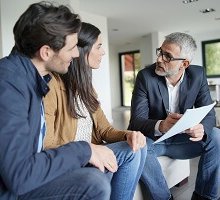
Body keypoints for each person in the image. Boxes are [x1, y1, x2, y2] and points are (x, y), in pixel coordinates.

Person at [0, 2, 112, 200]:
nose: (76, 54)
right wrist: (84, 149)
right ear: (46, 52)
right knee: (93, 184)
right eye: (71, 48)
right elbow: (20, 175)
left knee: (102, 166)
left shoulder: (30, 80)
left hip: (16, 181)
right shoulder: (4, 85)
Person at [43, 22, 147, 200]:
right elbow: (46, 146)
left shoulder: (86, 86)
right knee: (130, 152)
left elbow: (105, 130)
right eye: (98, 46)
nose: (103, 52)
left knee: (138, 145)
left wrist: (129, 135)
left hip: (91, 154)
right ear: (81, 50)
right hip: (73, 160)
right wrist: (87, 149)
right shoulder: (51, 85)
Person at [128, 32, 220, 200]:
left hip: (183, 140)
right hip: (154, 141)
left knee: (218, 138)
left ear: (185, 63)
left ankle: (204, 196)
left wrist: (202, 129)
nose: (159, 59)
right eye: (160, 52)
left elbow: (209, 112)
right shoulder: (145, 76)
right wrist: (161, 125)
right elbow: (136, 121)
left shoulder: (198, 74)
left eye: (167, 56)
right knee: (139, 147)